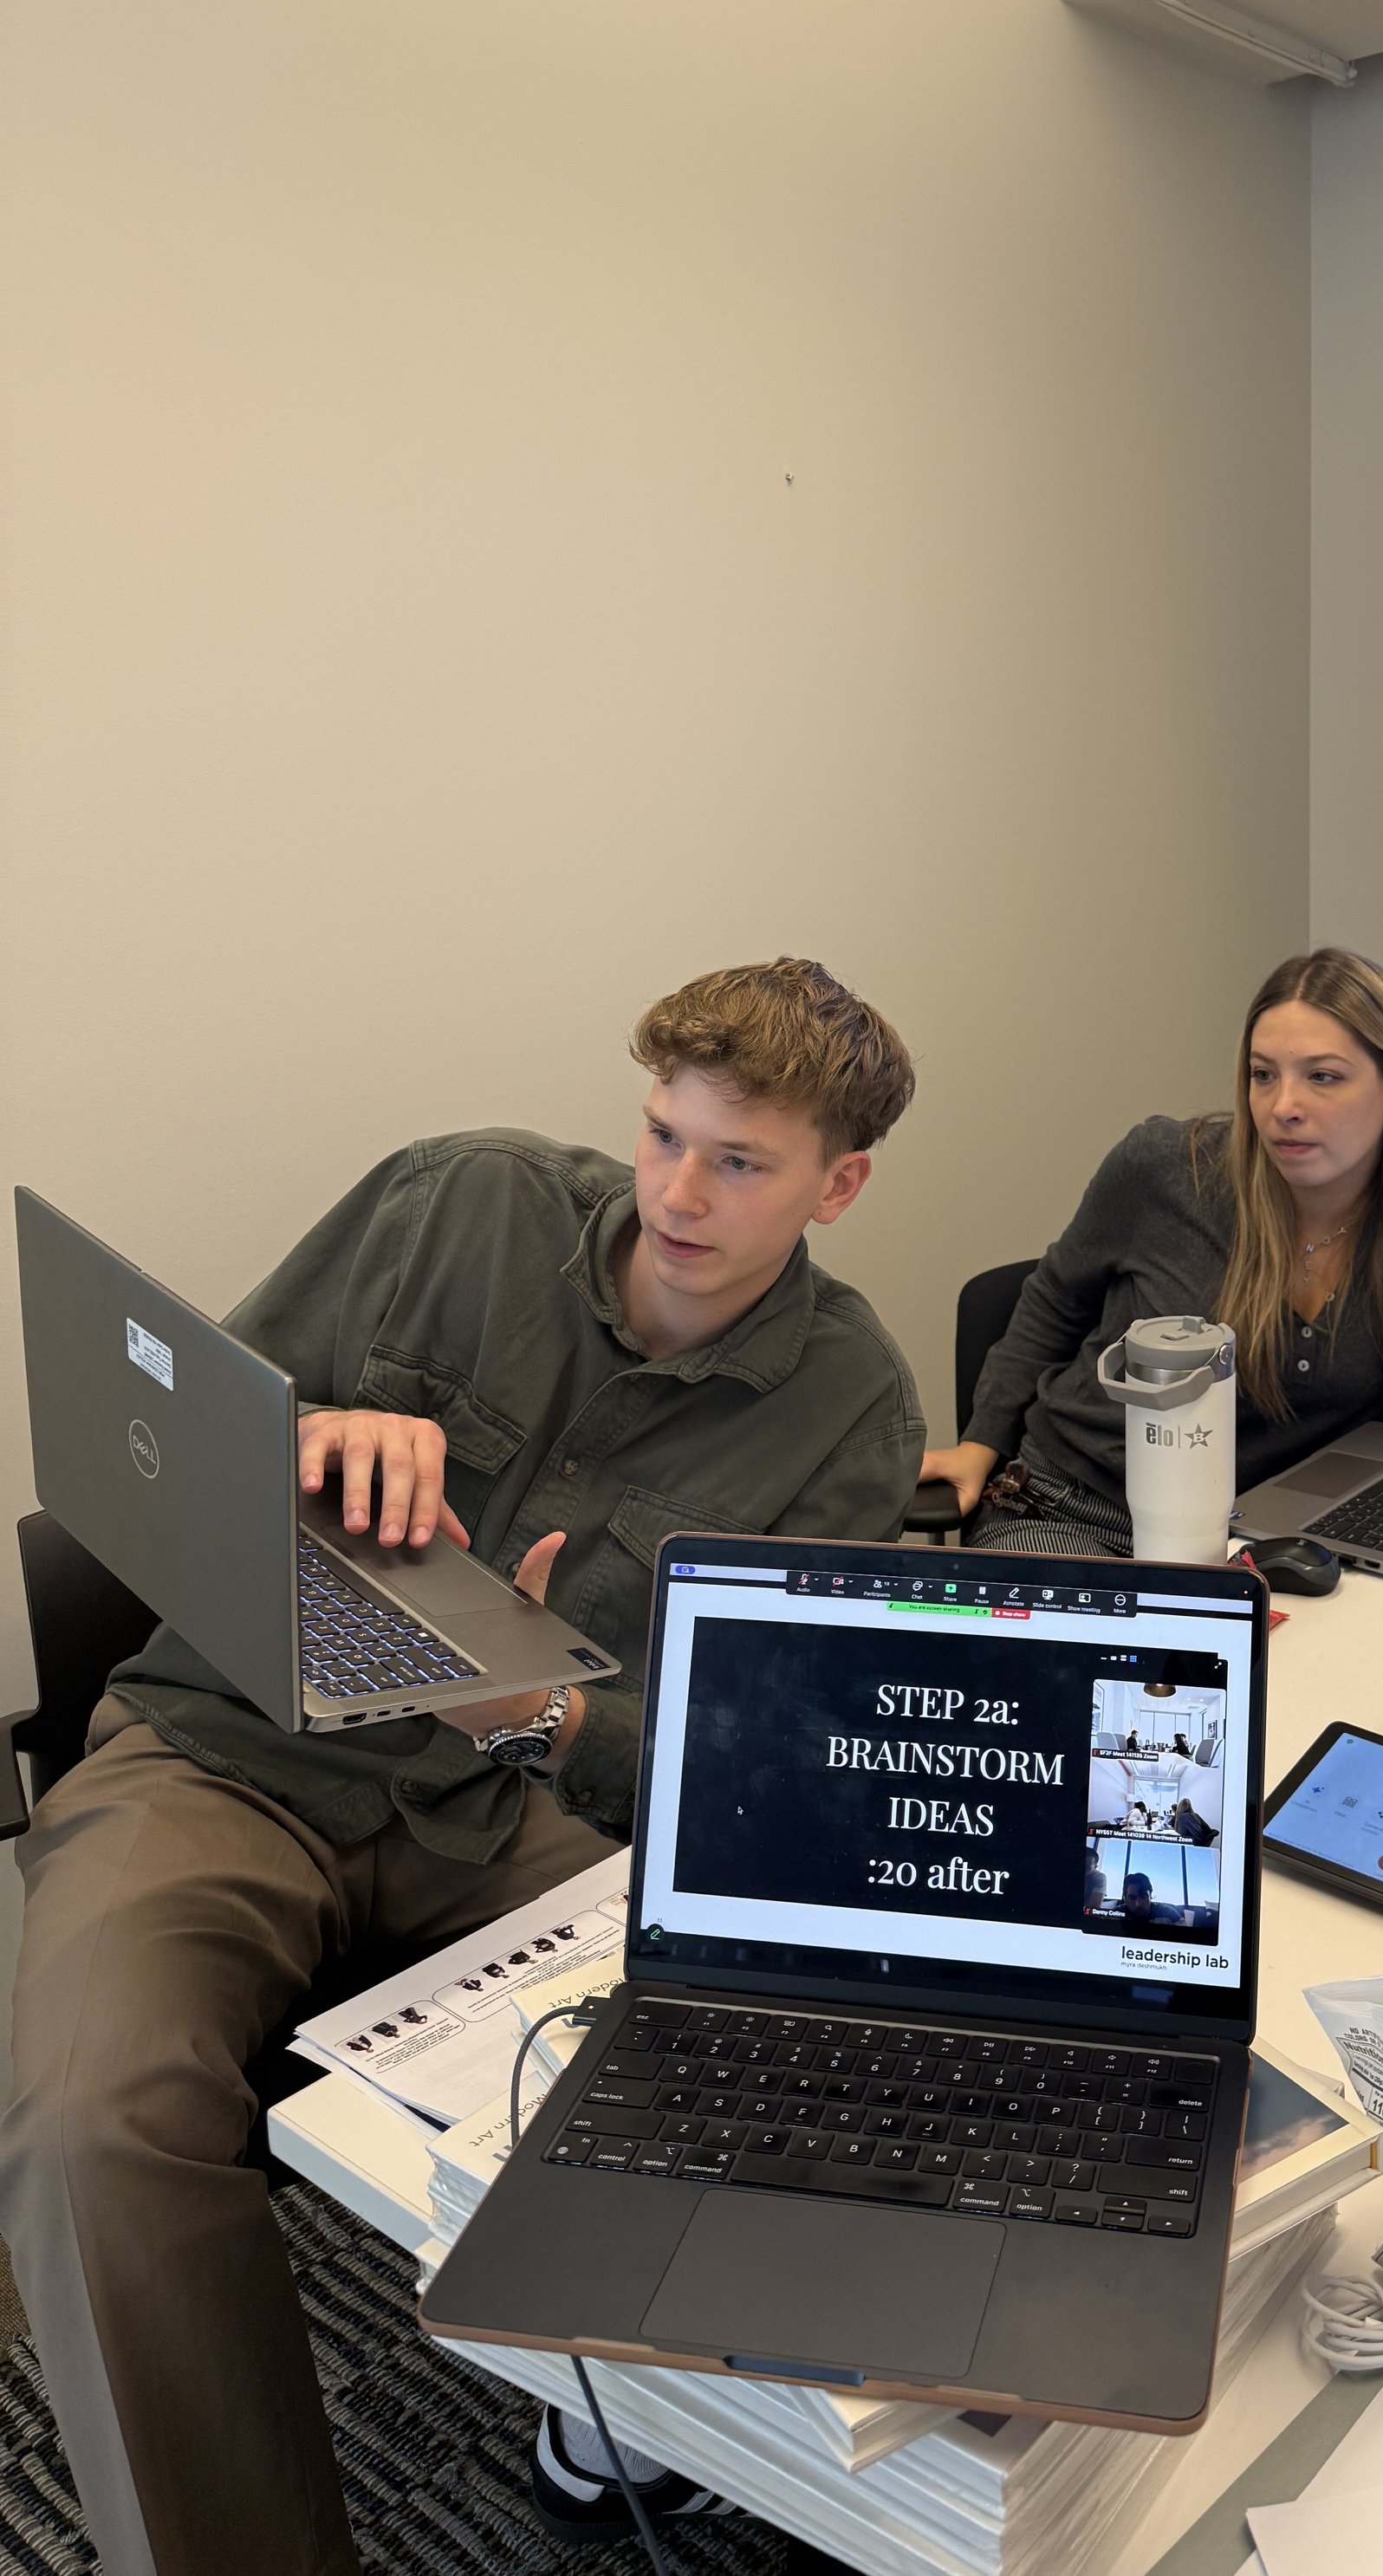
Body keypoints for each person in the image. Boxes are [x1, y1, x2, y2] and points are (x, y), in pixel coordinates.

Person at [0, 959, 923, 2576]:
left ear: (839, 1184)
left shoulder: (848, 1406)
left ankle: (642, 2422)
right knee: (90, 2118)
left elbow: (756, 1767)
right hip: (231, 1747)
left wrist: (539, 1712)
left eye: (740, 1161)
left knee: (755, 2052)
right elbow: (175, 1447)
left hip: (516, 1806)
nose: (678, 1194)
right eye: (662, 1134)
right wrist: (310, 1438)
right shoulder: (458, 1200)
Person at [918, 948, 1383, 1553]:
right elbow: (1053, 1303)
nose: (1283, 1108)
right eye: (1263, 1074)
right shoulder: (1168, 1169)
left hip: (1278, 1536)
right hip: (1078, 1510)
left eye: (1322, 1076)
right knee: (1128, 1651)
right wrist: (978, 1445)